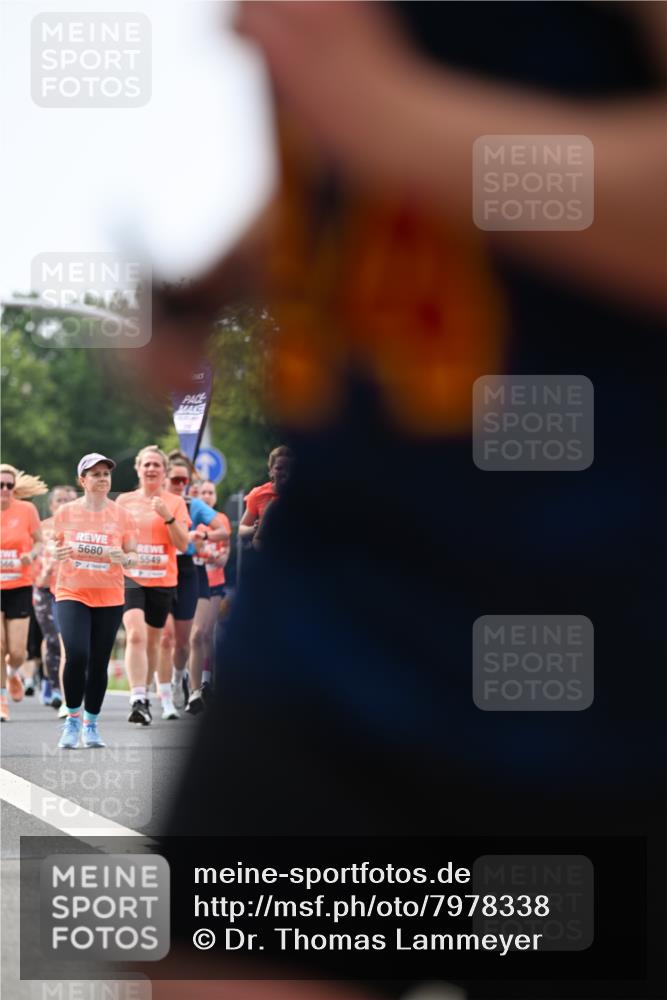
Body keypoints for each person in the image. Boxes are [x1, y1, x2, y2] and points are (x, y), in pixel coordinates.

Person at [53, 454, 138, 749]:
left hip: (109, 597)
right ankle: (72, 720)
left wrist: (124, 557)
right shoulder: (66, 512)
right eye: (95, 474)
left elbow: (133, 555)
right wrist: (55, 553)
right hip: (72, 592)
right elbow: (52, 546)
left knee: (99, 662)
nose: (102, 478)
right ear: (82, 480)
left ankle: (91, 724)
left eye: (106, 474)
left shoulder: (123, 515)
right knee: (77, 654)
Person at [117, 446, 189, 726]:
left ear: (164, 471)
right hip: (131, 578)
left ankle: (144, 696)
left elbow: (182, 544)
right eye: (146, 464)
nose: (151, 469)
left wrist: (167, 516)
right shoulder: (124, 501)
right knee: (135, 635)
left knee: (153, 642)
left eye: (156, 465)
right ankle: (137, 698)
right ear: (138, 468)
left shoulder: (175, 502)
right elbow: (114, 538)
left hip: (162, 580)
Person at [157, 458, 230, 716]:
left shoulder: (192, 505)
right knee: (165, 637)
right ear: (165, 479)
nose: (179, 484)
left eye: (184, 480)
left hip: (190, 569)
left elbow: (223, 531)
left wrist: (203, 535)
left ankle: (189, 686)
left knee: (192, 637)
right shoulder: (155, 502)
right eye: (175, 479)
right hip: (161, 568)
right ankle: (168, 692)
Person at [0, 464, 46, 721]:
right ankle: (1, 700)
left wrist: (31, 554)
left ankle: (12, 671)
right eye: (1, 485)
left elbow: (40, 541)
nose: (5, 489)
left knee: (18, 652)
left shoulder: (26, 510)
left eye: (10, 485)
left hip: (19, 585)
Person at [33, 485, 75, 709]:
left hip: (68, 588)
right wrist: (43, 572)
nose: (64, 504)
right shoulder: (43, 528)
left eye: (68, 500)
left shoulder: (79, 526)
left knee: (64, 639)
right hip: (44, 589)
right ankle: (51, 684)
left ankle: (60, 686)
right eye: (59, 500)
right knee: (52, 639)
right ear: (51, 505)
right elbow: (34, 557)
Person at [198, 479, 232, 694]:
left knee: (207, 632)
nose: (207, 496)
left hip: (215, 582)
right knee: (195, 632)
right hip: (196, 581)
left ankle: (206, 678)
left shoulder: (222, 520)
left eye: (211, 492)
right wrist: (206, 554)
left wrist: (222, 557)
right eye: (203, 492)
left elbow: (225, 549)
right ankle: (186, 675)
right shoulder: (194, 519)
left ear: (216, 496)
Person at [238, 446, 292, 548]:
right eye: (279, 468)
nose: (284, 473)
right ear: (271, 471)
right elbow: (241, 529)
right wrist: (255, 529)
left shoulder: (306, 494)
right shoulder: (258, 494)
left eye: (289, 468)